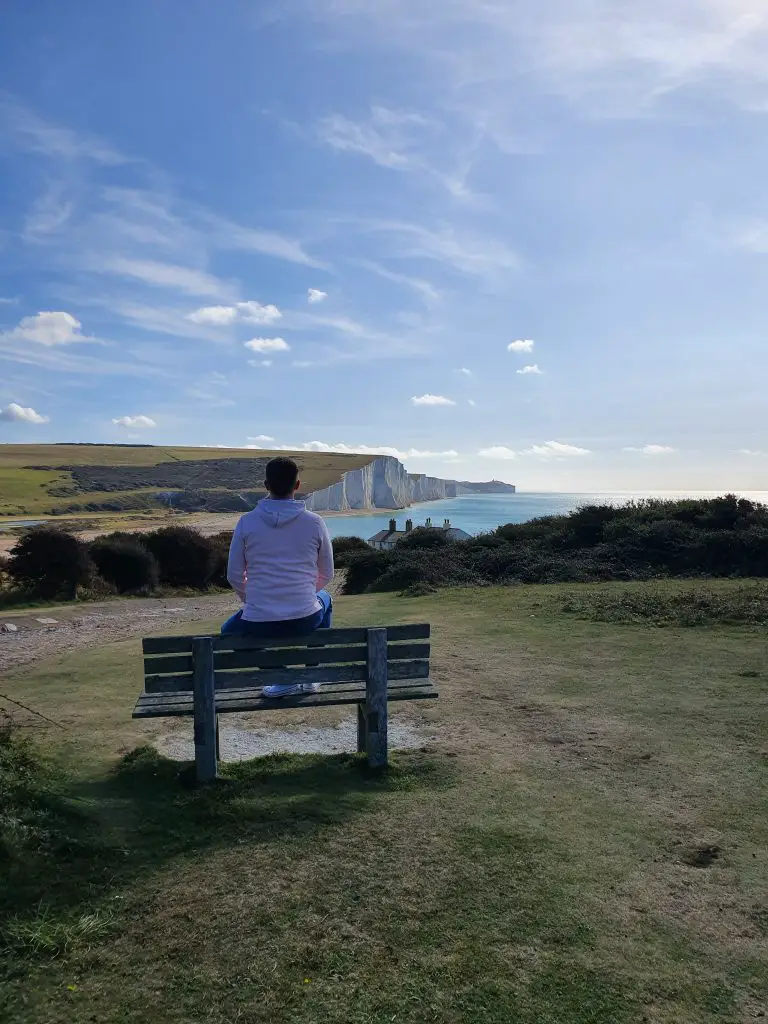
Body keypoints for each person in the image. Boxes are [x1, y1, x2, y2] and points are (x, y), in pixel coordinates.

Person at [222, 456, 334, 697]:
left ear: (266, 485)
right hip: (306, 618)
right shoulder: (315, 523)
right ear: (297, 485)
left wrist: (252, 599)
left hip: (258, 621)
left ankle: (283, 678)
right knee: (326, 598)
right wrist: (304, 593)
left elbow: (233, 575)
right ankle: (311, 675)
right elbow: (327, 573)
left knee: (227, 633)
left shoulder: (246, 522)